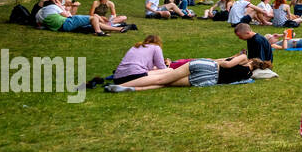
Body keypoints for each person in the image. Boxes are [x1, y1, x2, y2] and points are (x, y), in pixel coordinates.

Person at [107, 53, 270, 90]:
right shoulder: (247, 76)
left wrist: (219, 60)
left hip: (209, 68)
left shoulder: (243, 58)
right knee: (165, 84)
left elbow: (227, 65)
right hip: (209, 80)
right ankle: (132, 88)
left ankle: (123, 82)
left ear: (251, 61)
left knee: (162, 77)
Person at [35, 0, 123, 35]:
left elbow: (39, 21)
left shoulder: (41, 14)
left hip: (64, 23)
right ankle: (99, 32)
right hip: (67, 22)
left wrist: (67, 5)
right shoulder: (53, 7)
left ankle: (118, 29)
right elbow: (67, 15)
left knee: (94, 22)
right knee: (94, 18)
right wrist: (60, 6)